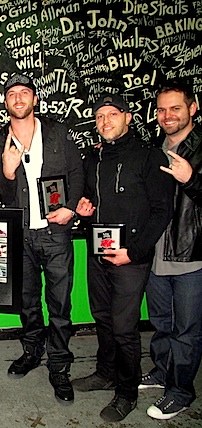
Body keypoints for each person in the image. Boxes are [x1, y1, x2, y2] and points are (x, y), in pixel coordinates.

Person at [72, 93, 174, 422]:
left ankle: (127, 391)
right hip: (98, 253)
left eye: (112, 114)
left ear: (127, 117)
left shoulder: (148, 156)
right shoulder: (93, 158)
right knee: (101, 316)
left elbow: (162, 211)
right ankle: (105, 373)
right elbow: (92, 204)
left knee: (124, 328)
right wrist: (84, 214)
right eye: (99, 116)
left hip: (131, 258)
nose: (105, 122)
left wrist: (134, 252)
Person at [0, 73, 84, 405]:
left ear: (35, 99)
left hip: (55, 234)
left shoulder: (57, 134)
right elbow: (3, 193)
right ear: (6, 101)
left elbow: (77, 173)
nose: (18, 98)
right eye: (11, 93)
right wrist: (9, 170)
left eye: (24, 92)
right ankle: (32, 350)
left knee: (60, 305)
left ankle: (59, 366)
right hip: (21, 236)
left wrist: (70, 207)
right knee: (26, 301)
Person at [140, 82, 202, 420]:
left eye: (175, 108)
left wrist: (191, 178)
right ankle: (162, 371)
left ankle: (180, 392)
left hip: (191, 255)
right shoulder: (156, 150)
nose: (167, 116)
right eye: (162, 110)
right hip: (158, 254)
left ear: (192, 108)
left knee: (187, 330)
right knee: (161, 322)